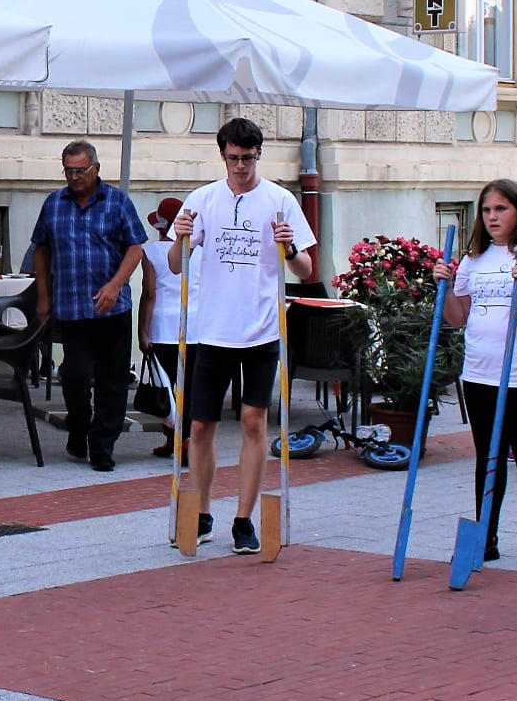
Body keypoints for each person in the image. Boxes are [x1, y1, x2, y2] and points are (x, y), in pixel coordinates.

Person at [169, 119, 316, 550]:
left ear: (258, 155)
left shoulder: (280, 200)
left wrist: (290, 248)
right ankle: (201, 513)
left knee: (254, 422)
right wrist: (179, 239)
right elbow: (177, 265)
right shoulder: (203, 199)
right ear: (222, 155)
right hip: (214, 330)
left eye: (248, 158)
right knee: (200, 426)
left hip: (261, 329)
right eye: (233, 158)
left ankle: (244, 519)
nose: (240, 166)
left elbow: (306, 271)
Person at [432, 179, 517, 574]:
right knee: (488, 456)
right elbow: (459, 317)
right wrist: (444, 288)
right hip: (481, 373)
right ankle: (486, 537)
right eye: (487, 210)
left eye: (501, 209)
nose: (493, 217)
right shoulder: (474, 259)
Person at [33, 139, 149, 473]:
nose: (74, 177)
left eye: (80, 170)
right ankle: (79, 425)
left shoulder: (117, 201)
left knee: (113, 379)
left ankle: (102, 446)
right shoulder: (54, 204)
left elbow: (135, 248)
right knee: (75, 374)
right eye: (68, 171)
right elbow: (41, 249)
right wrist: (43, 296)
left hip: (112, 307)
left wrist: (115, 284)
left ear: (96, 168)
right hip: (71, 306)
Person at [137, 198, 185, 459]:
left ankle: (174, 439)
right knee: (190, 385)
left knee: (167, 387)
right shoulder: (199, 250)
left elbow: (149, 293)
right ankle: (187, 441)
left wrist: (142, 331)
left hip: (163, 327)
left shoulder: (151, 251)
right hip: (195, 328)